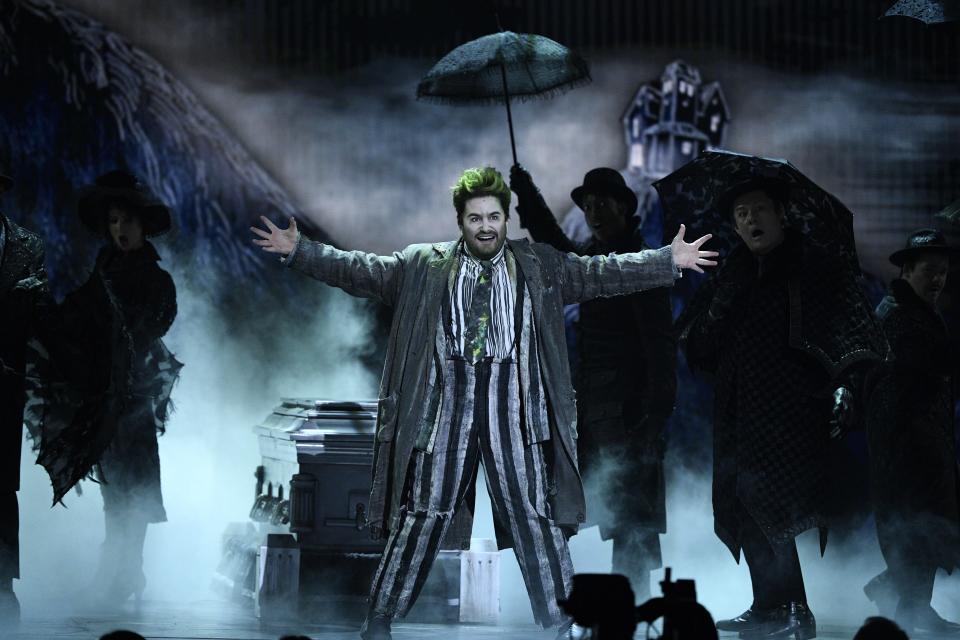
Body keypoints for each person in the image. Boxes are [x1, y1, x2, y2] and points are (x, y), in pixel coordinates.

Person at [251, 166, 717, 640]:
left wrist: (666, 260)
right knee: (422, 513)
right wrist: (302, 252)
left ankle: (564, 623)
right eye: (475, 218)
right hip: (447, 404)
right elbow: (362, 271)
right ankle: (380, 617)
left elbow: (601, 272)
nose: (485, 226)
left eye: (493, 216)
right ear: (460, 221)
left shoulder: (539, 265)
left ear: (506, 218)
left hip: (513, 405)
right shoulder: (424, 265)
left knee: (535, 516)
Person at [676, 178, 885, 640]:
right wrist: (717, 309)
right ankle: (766, 605)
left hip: (794, 409)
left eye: (759, 210)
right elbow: (698, 343)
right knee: (743, 504)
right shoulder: (732, 271)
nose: (751, 220)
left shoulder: (813, 265)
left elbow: (855, 332)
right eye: (742, 214)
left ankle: (795, 609)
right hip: (738, 409)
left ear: (781, 214)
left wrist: (845, 388)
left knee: (775, 506)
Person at [509, 165, 676, 601]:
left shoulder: (642, 265)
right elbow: (554, 243)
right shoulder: (591, 260)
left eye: (603, 202)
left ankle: (629, 612)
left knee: (632, 522)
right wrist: (526, 193)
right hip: (589, 409)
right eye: (588, 204)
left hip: (628, 413)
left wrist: (653, 421)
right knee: (565, 506)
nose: (594, 211)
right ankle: (563, 603)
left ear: (624, 206)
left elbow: (661, 349)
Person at [62, 170, 180, 605]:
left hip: (134, 400)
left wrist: (108, 335)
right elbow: (77, 314)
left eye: (127, 220)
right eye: (113, 221)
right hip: (107, 398)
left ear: (143, 225)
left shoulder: (156, 281)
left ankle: (126, 571)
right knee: (114, 490)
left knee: (135, 489)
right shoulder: (103, 270)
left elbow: (145, 331)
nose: (120, 229)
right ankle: (120, 571)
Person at [863, 229, 960, 635]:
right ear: (908, 270)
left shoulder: (919, 312)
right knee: (918, 526)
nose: (937, 280)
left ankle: (910, 603)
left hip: (925, 441)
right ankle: (909, 607)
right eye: (929, 271)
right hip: (905, 445)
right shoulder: (897, 316)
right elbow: (894, 383)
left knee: (930, 525)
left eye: (943, 272)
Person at [0, 170, 57, 626]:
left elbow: (41, 323)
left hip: (4, 391)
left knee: (1, 492)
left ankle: (2, 587)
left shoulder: (26, 245)